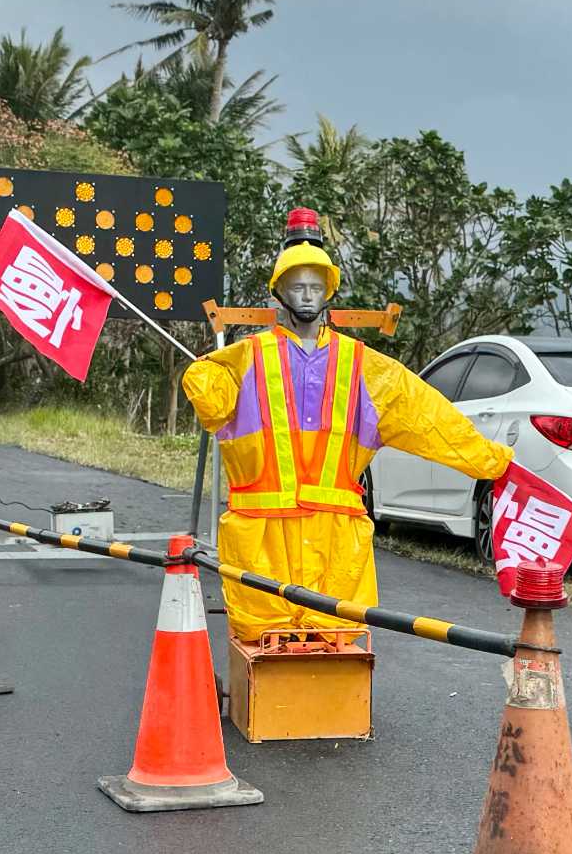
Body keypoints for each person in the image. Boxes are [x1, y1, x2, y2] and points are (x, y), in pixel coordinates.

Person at [182, 210, 514, 643]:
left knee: (334, 638)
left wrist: (491, 461)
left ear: (329, 292)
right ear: (278, 292)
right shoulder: (246, 359)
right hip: (261, 533)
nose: (306, 295)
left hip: (334, 538)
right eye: (296, 286)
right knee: (264, 641)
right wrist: (203, 377)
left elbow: (429, 418)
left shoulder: (363, 367)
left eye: (315, 286)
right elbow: (208, 395)